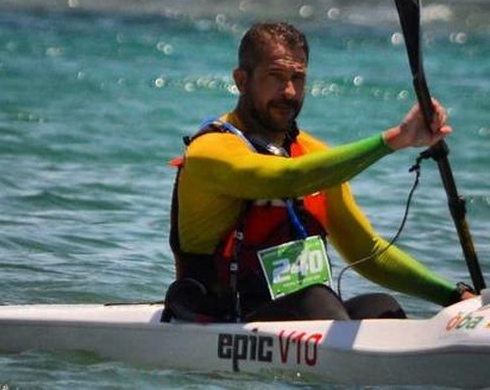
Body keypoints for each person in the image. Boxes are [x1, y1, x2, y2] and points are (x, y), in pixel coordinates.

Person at [164, 21, 473, 323]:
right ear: (241, 80)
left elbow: (367, 251)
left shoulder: (314, 156)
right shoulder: (210, 150)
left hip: (304, 314)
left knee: (381, 309)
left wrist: (454, 297)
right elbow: (289, 178)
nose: (289, 91)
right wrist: (394, 140)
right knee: (317, 300)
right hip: (219, 319)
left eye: (297, 78)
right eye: (276, 76)